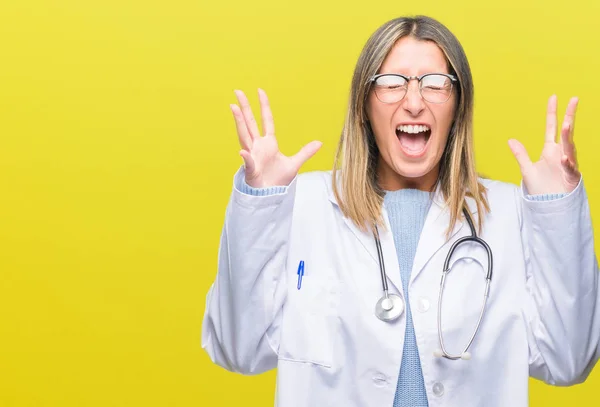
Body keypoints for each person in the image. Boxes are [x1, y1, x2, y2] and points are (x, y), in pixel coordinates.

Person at [201, 15, 600, 407]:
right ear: (363, 105)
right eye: (391, 83)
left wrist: (555, 210)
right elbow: (239, 350)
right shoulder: (302, 204)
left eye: (435, 84)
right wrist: (261, 203)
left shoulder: (508, 213)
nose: (413, 102)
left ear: (458, 107)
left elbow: (569, 361)